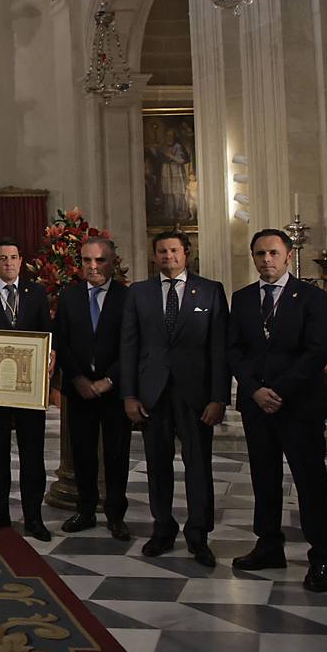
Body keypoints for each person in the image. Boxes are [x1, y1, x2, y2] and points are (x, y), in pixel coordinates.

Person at [228, 229, 327, 592]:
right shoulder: (242, 299)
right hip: (257, 405)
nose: (266, 260)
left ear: (288, 256)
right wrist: (256, 390)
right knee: (264, 478)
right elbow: (234, 351)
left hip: (299, 405)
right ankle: (269, 545)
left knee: (310, 483)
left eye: (273, 253)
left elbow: (318, 349)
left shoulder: (312, 297)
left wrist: (279, 390)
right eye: (260, 254)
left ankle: (322, 555)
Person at [121, 230, 229, 567]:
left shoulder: (211, 291)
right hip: (153, 394)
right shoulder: (138, 293)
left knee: (198, 466)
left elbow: (219, 350)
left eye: (174, 251)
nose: (168, 257)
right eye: (162, 252)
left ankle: (198, 534)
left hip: (196, 396)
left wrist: (218, 397)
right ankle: (162, 529)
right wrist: (129, 395)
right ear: (154, 256)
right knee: (157, 465)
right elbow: (128, 347)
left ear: (186, 253)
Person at [0, 237, 54, 541]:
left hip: (28, 389)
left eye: (13, 257)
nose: (8, 263)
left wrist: (50, 356)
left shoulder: (36, 293)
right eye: (2, 258)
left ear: (20, 260)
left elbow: (46, 334)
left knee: (33, 454)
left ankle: (34, 518)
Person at [52, 237, 131, 541]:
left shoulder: (127, 297)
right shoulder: (70, 296)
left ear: (112, 262)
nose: (93, 266)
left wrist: (108, 380)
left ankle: (115, 514)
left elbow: (131, 344)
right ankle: (85, 510)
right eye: (87, 260)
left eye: (99, 261)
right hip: (80, 390)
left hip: (114, 390)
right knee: (83, 453)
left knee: (116, 453)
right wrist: (78, 379)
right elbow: (61, 340)